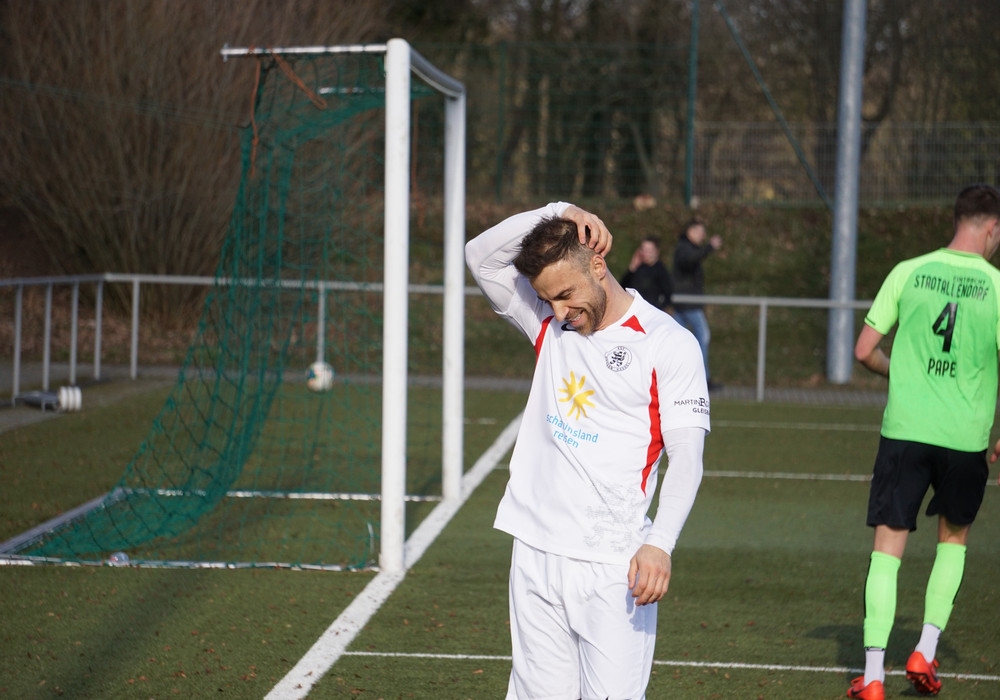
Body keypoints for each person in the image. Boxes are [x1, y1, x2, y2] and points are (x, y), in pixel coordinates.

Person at [465, 202, 709, 699]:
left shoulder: (668, 343)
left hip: (614, 565)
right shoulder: (548, 326)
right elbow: (480, 257)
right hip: (534, 551)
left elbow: (687, 457)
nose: (558, 312)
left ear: (598, 266)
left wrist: (660, 542)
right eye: (546, 299)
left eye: (566, 295)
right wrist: (559, 210)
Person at [848, 183, 1000, 700]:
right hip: (965, 438)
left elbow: (865, 349)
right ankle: (925, 651)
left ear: (957, 219)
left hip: (905, 433)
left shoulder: (908, 271)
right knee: (953, 541)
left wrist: (903, 375)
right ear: (993, 229)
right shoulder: (997, 287)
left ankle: (871, 677)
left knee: (888, 551)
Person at [672, 218, 723, 390]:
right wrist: (709, 247)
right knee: (702, 337)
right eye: (700, 231)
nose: (703, 235)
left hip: (688, 304)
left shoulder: (687, 248)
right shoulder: (684, 249)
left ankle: (682, 378)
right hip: (688, 305)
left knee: (678, 341)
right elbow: (690, 261)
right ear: (690, 231)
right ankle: (702, 379)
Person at [622, 236, 674, 313]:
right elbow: (623, 287)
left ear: (656, 251)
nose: (646, 254)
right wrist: (632, 268)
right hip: (635, 310)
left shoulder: (660, 270)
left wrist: (658, 309)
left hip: (651, 311)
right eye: (644, 250)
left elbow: (668, 293)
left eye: (649, 251)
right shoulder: (638, 269)